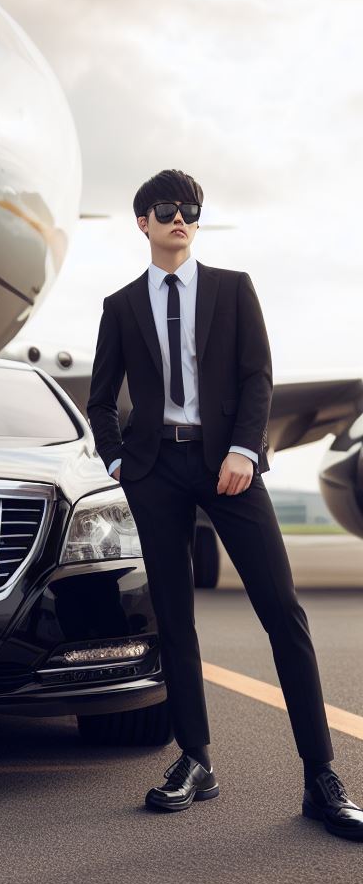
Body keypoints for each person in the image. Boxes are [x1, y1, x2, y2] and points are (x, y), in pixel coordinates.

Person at [86, 168, 363, 841]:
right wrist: (122, 463)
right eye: (165, 208)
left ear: (196, 222)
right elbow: (101, 400)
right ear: (143, 223)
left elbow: (256, 376)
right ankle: (196, 761)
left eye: (190, 208)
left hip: (228, 467)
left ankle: (320, 776)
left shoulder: (233, 290)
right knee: (175, 622)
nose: (179, 217)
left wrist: (245, 450)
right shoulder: (121, 306)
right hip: (155, 472)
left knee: (282, 612)